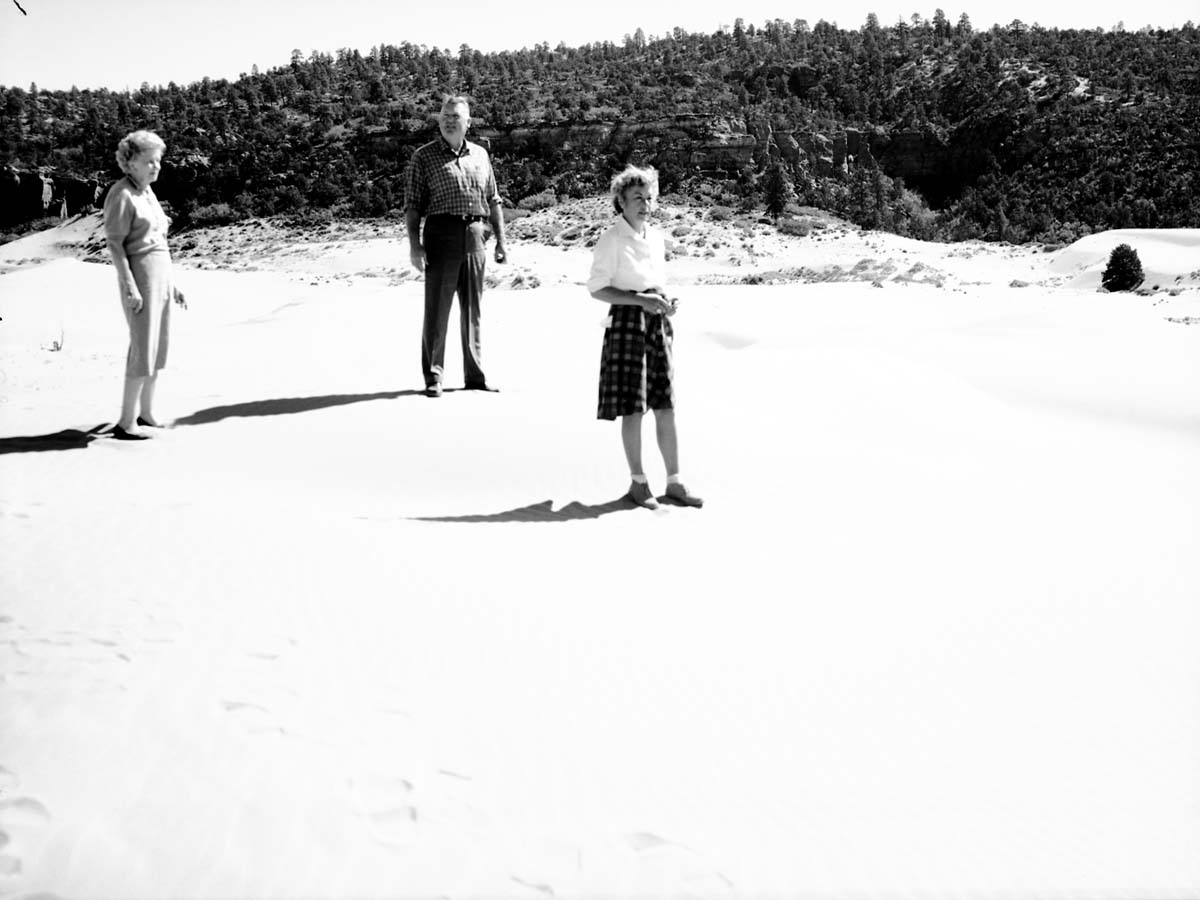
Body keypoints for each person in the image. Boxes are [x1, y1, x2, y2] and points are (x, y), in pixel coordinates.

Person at [587, 165, 703, 509]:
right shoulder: (610, 240)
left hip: (656, 322)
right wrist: (640, 300)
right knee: (633, 408)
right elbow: (597, 289)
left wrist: (666, 303)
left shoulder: (655, 237)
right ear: (620, 200)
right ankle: (638, 483)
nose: (645, 204)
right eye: (637, 197)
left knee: (665, 404)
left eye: (649, 197)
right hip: (627, 323)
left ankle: (675, 483)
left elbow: (655, 282)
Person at [404, 95, 507, 397]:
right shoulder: (423, 157)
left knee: (472, 310)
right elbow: (412, 205)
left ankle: (474, 376)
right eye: (445, 116)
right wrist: (415, 245)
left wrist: (501, 241)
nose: (450, 121)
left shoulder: (481, 155)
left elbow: (493, 199)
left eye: (456, 116)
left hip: (476, 234)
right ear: (439, 121)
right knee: (437, 310)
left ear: (468, 122)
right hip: (441, 233)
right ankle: (434, 376)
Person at [103, 129, 186, 440]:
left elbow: (159, 241)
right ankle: (126, 422)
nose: (155, 167)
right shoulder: (121, 194)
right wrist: (130, 285)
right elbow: (115, 244)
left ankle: (146, 412)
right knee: (142, 346)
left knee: (157, 347)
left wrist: (173, 284)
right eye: (148, 161)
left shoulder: (147, 192)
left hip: (160, 274)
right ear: (130, 163)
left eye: (158, 160)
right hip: (141, 276)